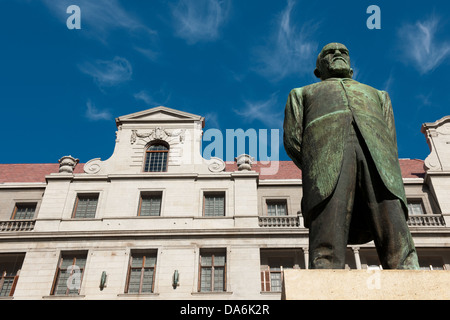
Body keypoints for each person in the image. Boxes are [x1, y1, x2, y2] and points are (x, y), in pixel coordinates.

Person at [283, 42, 419, 269]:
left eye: (343, 52)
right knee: (326, 230)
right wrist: (316, 161)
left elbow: (390, 138)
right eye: (329, 53)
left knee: (394, 225)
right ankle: (325, 277)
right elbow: (293, 139)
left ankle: (407, 272)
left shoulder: (379, 95)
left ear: (351, 65)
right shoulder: (301, 93)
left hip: (379, 161)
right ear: (318, 69)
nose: (337, 54)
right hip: (325, 165)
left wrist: (382, 158)